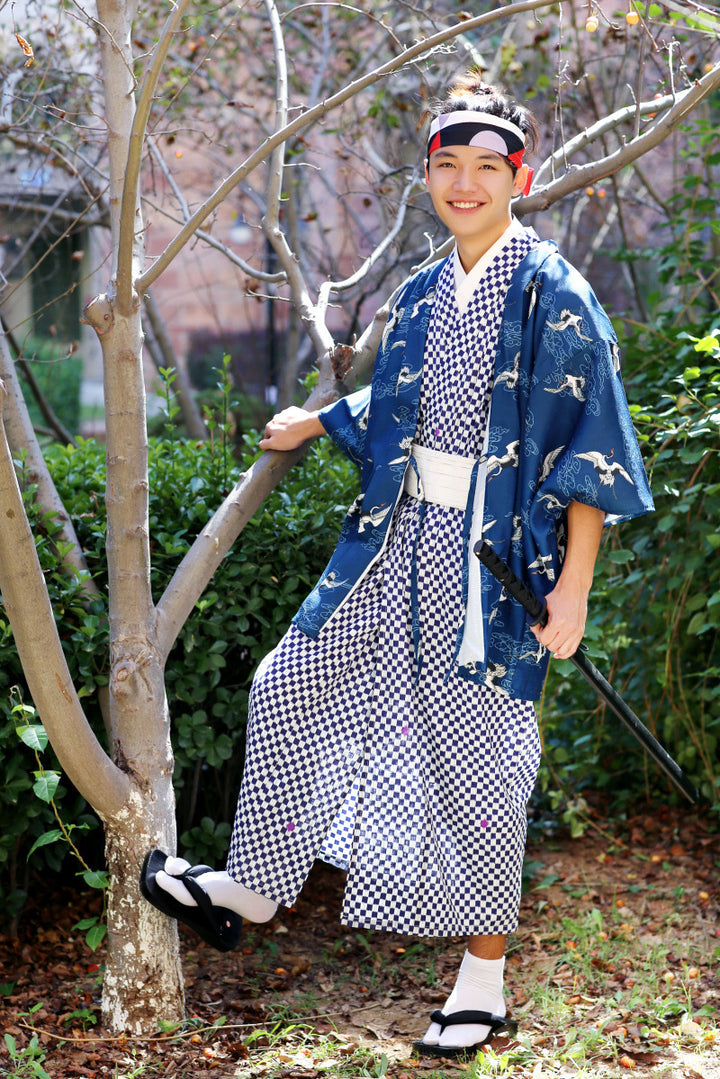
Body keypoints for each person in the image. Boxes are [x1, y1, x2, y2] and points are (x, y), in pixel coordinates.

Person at [141, 76, 653, 1058]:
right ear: (429, 178)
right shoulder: (423, 290)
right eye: (447, 167)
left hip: (494, 566)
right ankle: (249, 883)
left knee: (481, 765)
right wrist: (320, 417)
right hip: (395, 537)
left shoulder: (559, 295)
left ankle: (485, 980)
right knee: (290, 681)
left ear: (520, 179)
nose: (465, 184)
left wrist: (575, 587)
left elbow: (590, 450)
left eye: (486, 169)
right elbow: (396, 402)